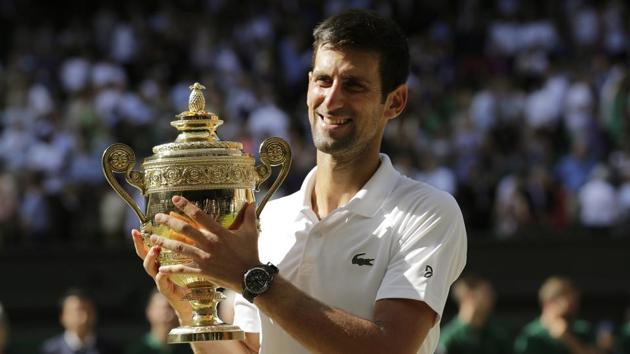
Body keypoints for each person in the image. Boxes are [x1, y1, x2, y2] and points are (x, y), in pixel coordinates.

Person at [131, 9, 467, 354]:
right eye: (323, 80)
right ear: (309, 85)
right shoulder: (269, 217)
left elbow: (390, 348)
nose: (332, 100)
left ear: (394, 102)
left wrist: (252, 278)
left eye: (354, 85)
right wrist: (190, 310)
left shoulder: (429, 212)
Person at [514, 276, 597, 354]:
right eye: (569, 304)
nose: (574, 309)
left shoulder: (581, 328)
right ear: (549, 303)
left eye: (575, 303)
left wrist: (569, 339)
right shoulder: (531, 334)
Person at [438, 275, 511, 354]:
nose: (492, 298)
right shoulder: (449, 338)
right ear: (470, 296)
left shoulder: (497, 336)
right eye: (486, 293)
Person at [41, 288, 119, 354]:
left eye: (88, 311)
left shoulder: (110, 349)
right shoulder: (50, 350)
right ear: (63, 317)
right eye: (77, 311)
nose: (84, 317)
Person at [125, 290, 192, 354]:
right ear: (149, 311)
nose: (169, 314)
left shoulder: (190, 348)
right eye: (165, 308)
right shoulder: (137, 349)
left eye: (174, 308)